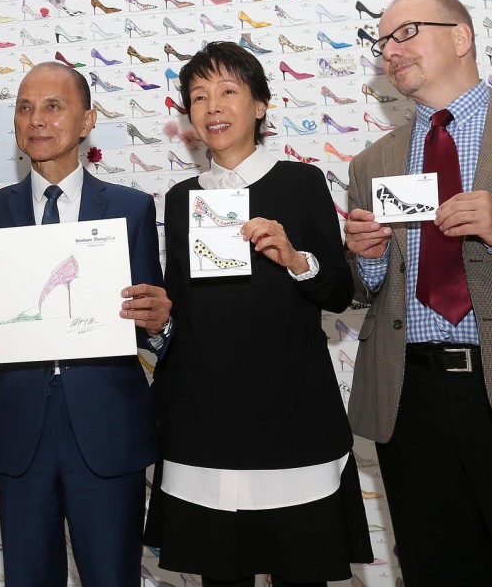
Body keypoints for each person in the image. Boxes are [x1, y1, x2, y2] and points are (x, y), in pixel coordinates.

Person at [0, 62, 170, 587]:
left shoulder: (130, 209)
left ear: (86, 122)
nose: (37, 119)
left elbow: (153, 327)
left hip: (106, 428)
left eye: (54, 106)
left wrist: (160, 323)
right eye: (25, 107)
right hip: (18, 431)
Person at [144, 42, 373, 587]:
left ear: (261, 105)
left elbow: (339, 293)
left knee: (302, 572)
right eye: (198, 96)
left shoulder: (301, 182)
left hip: (290, 414)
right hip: (203, 420)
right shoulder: (180, 199)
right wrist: (157, 320)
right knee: (219, 576)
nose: (212, 106)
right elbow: (181, 307)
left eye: (228, 91)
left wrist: (297, 260)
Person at [344, 0, 492, 586]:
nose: (390, 51)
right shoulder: (372, 163)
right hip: (409, 399)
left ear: (461, 37)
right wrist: (369, 259)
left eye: (405, 32)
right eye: (382, 41)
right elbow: (363, 291)